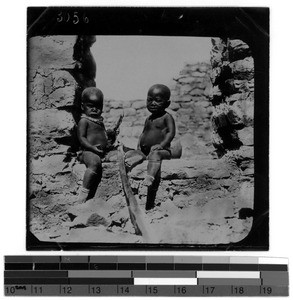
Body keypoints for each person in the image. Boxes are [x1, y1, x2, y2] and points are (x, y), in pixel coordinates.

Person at [124, 84, 181, 210]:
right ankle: (136, 159)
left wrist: (161, 145)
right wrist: (139, 145)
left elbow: (171, 133)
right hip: (145, 152)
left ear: (167, 103)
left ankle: (150, 176)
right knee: (131, 154)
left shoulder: (167, 117)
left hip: (162, 151)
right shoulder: (148, 119)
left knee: (155, 155)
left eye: (158, 101)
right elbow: (144, 133)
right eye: (150, 100)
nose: (153, 103)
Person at [76, 87, 108, 203]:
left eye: (98, 106)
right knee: (94, 162)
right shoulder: (84, 121)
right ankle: (84, 192)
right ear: (82, 106)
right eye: (90, 106)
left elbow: (103, 136)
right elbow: (82, 138)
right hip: (87, 151)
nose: (94, 109)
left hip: (101, 152)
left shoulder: (99, 122)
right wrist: (91, 147)